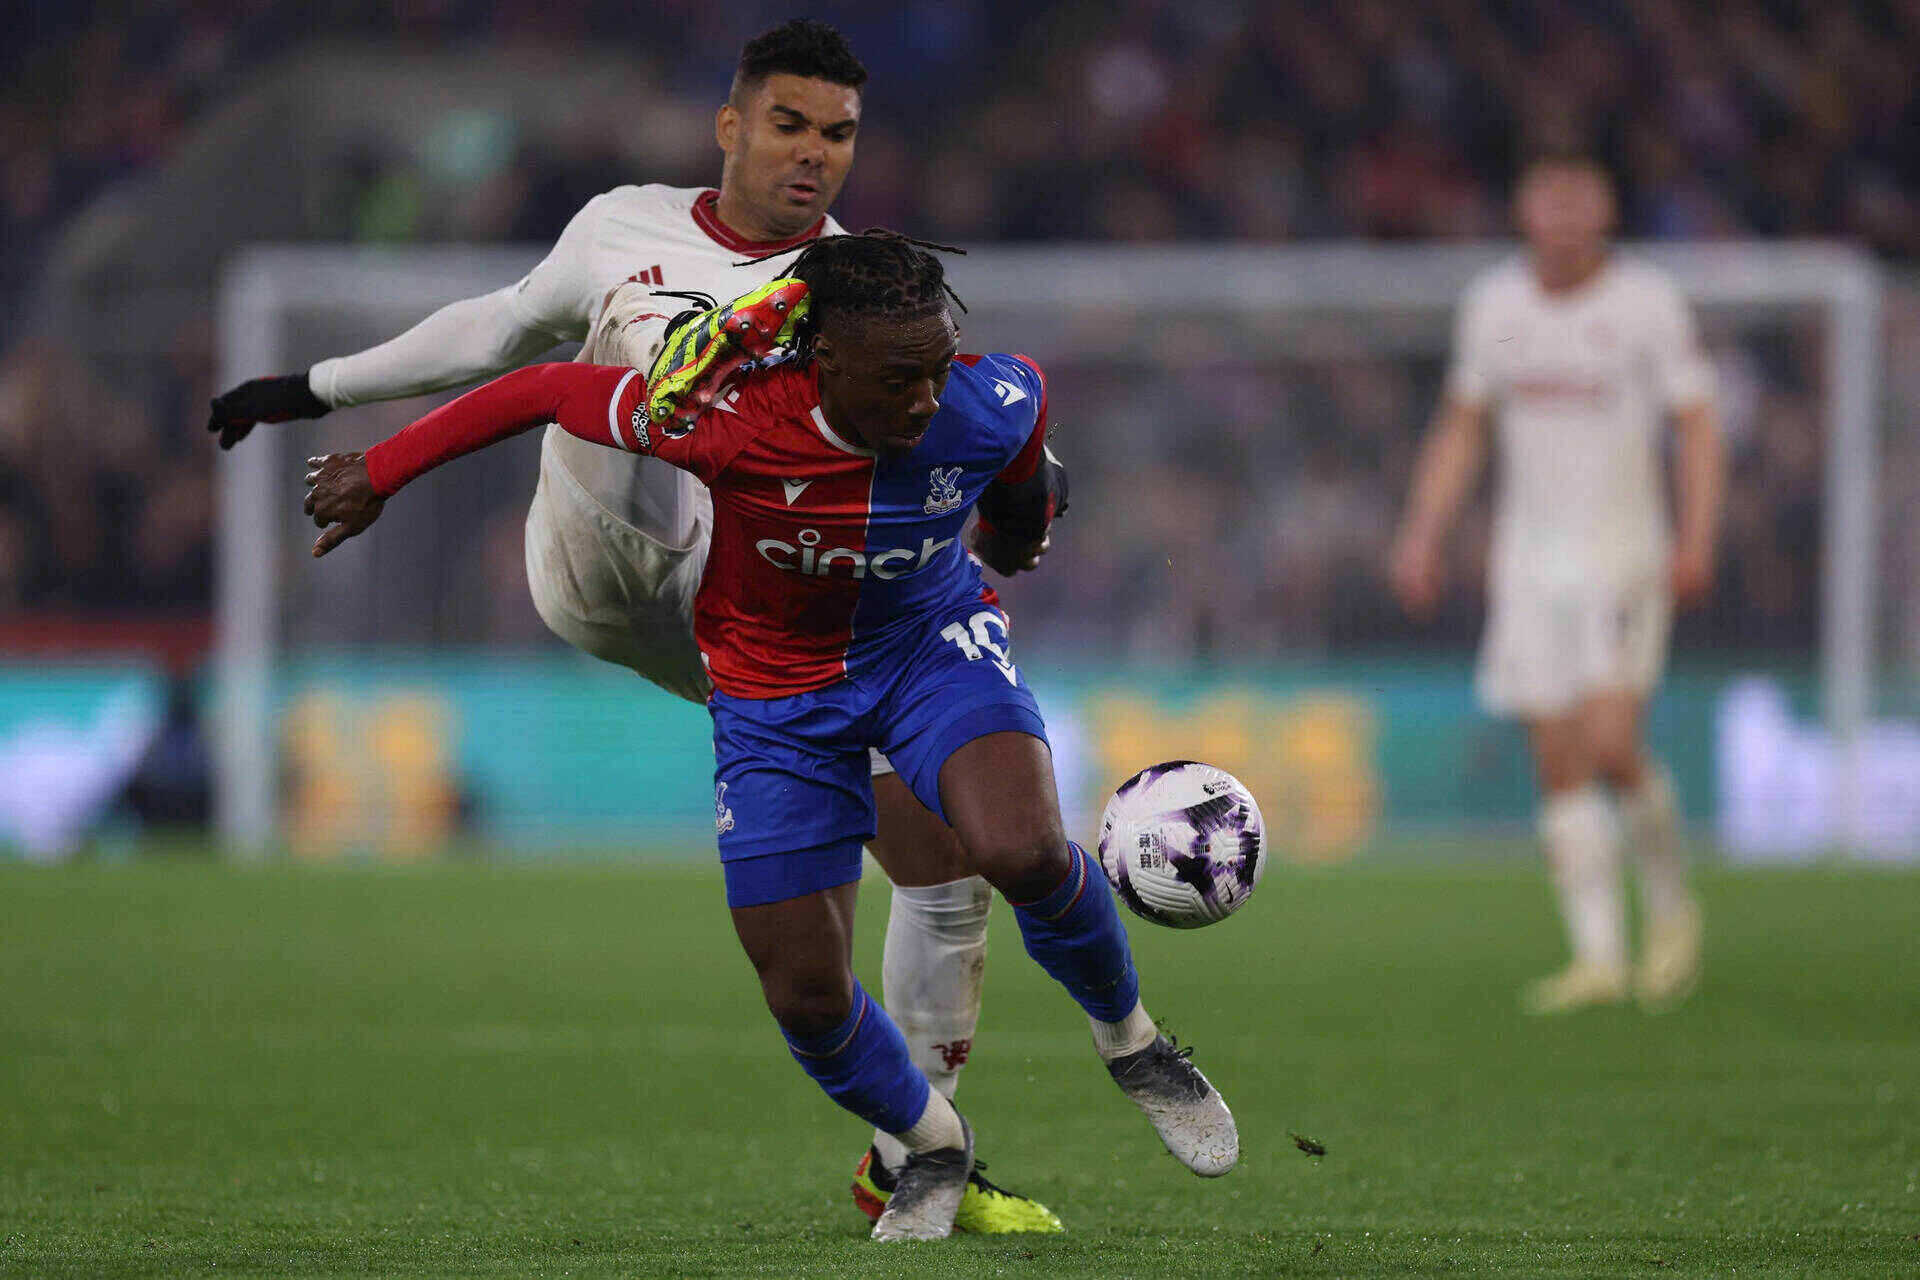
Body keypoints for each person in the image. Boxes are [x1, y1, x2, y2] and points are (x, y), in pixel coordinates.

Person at [206, 20, 1057, 1231]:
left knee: (943, 863)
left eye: (839, 134)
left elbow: (943, 405)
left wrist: (1037, 474)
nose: (814, 154)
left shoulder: (862, 285)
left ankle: (911, 1147)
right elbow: (503, 332)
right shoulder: (623, 230)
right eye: (789, 124)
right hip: (599, 570)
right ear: (730, 124)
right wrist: (314, 389)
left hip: (753, 616)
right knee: (650, 357)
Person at [302, 235, 1239, 1241]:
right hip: (773, 697)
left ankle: (1132, 1038)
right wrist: (380, 469)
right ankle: (929, 1140)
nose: (927, 397)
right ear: (822, 361)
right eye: (898, 378)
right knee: (801, 987)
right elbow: (540, 389)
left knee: (1016, 844)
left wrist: (1014, 528)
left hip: (928, 646)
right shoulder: (721, 415)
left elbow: (1018, 451)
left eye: (936, 366)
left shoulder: (987, 398)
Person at [1388, 151, 1723, 1015]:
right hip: (1530, 562)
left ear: (1606, 211)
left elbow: (1696, 426)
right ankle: (1601, 960)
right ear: (1526, 210)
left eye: (1582, 202)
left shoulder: (1645, 303)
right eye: (1551, 202)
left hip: (1624, 555)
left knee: (1611, 745)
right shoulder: (1497, 304)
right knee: (1560, 762)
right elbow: (1463, 425)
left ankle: (1674, 910)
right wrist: (1424, 531)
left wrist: (1697, 535)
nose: (1566, 219)